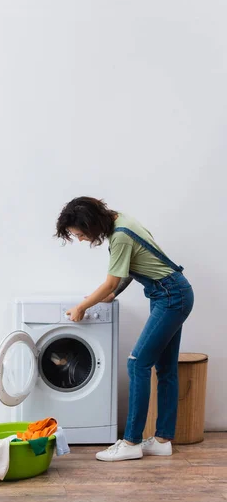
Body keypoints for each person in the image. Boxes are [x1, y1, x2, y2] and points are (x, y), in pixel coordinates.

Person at [55, 197, 194, 462]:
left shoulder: (119, 236)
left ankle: (131, 442)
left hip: (170, 296)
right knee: (165, 368)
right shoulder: (122, 220)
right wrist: (113, 293)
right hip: (173, 292)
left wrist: (82, 306)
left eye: (81, 234)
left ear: (91, 224)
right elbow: (132, 268)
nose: (82, 240)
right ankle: (163, 440)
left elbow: (110, 282)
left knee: (137, 364)